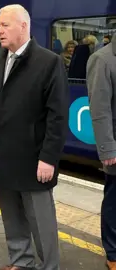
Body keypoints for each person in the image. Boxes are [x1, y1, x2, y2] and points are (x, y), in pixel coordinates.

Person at [0, 4, 69, 270]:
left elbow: (57, 115)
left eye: (4, 25)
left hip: (34, 160)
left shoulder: (48, 62)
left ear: (23, 26)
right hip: (4, 156)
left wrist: (48, 158)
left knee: (41, 221)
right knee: (12, 218)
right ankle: (22, 262)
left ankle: (49, 266)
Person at [87, 34, 116, 270]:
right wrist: (107, 148)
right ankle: (113, 253)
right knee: (114, 200)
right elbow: (100, 109)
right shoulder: (103, 59)